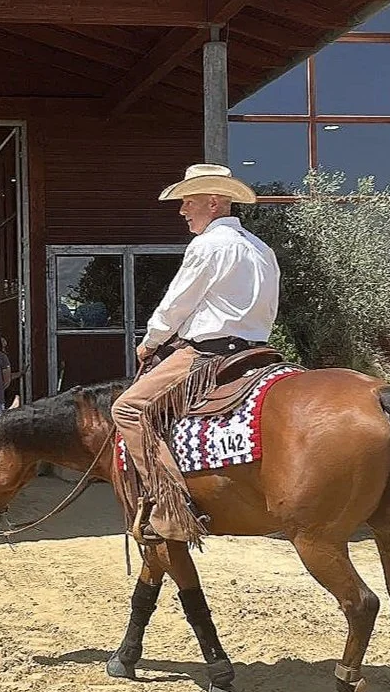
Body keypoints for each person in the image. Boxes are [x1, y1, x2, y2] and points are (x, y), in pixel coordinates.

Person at [111, 163, 280, 545]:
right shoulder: (261, 247)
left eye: (189, 202)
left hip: (211, 354)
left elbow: (177, 303)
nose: (182, 210)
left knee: (127, 409)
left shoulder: (208, 245)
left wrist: (151, 341)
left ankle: (170, 507)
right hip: (259, 350)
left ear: (215, 203)